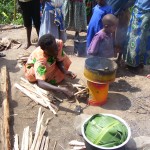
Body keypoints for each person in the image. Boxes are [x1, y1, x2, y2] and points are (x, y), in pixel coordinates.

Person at [124, 0, 150, 73]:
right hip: (140, 10)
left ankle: (134, 64)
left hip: (144, 11)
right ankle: (137, 62)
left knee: (137, 38)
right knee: (141, 38)